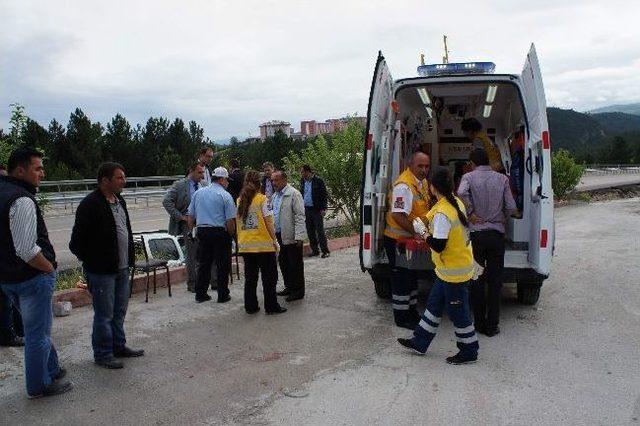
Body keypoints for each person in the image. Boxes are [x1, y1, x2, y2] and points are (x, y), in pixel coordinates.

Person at [0, 147, 71, 397]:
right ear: (21, 170)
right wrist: (48, 268)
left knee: (39, 329)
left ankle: (52, 367)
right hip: (30, 278)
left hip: (8, 278)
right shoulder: (21, 199)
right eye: (37, 168)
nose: (43, 173)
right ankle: (39, 385)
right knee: (37, 335)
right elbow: (27, 250)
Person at [398, 167, 479, 365]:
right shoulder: (453, 202)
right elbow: (430, 214)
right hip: (449, 271)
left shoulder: (444, 212)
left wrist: (423, 233)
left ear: (433, 188)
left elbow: (439, 245)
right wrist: (421, 221)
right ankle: (420, 341)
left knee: (459, 314)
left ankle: (469, 350)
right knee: (433, 307)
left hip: (454, 273)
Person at [69, 162, 144, 369]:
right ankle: (102, 354)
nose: (124, 181)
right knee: (104, 314)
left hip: (121, 267)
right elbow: (76, 243)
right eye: (119, 178)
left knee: (119, 310)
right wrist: (94, 262)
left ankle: (118, 346)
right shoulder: (90, 205)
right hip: (102, 272)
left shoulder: (119, 200)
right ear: (105, 181)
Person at [457, 148, 517, 336]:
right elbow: (512, 207)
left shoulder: (468, 177)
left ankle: (479, 323)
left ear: (472, 163)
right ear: (488, 161)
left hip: (477, 237)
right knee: (495, 281)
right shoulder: (502, 179)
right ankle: (492, 326)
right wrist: (501, 218)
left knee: (476, 279)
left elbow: (460, 192)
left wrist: (470, 212)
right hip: (496, 236)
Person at [383, 151, 432, 329]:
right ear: (410, 165)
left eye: (426, 166)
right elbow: (398, 215)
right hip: (398, 241)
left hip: (410, 240)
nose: (424, 170)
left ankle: (411, 312)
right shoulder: (404, 186)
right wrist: (417, 231)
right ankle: (402, 318)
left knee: (411, 278)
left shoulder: (422, 183)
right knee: (401, 280)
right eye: (420, 166)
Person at [236, 170, 287, 315]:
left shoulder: (239, 200)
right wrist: (275, 241)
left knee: (250, 279)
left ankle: (250, 306)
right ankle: (271, 307)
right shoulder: (262, 199)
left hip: (246, 246)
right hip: (263, 246)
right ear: (260, 183)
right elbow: (269, 223)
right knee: (269, 278)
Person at [188, 166, 236, 303]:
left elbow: (190, 216)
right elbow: (230, 221)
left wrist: (192, 232)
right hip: (220, 233)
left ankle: (200, 294)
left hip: (202, 231)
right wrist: (231, 236)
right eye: (227, 180)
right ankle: (222, 294)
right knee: (222, 265)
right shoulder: (225, 195)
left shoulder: (199, 193)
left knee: (204, 264)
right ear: (221, 180)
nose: (227, 183)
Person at [162, 162, 207, 293]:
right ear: (191, 171)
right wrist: (181, 217)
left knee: (205, 253)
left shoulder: (203, 185)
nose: (202, 175)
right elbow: (166, 201)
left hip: (203, 223)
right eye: (199, 172)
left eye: (203, 172)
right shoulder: (180, 185)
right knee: (192, 254)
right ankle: (192, 283)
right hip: (189, 224)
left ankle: (207, 280)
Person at [270, 170, 307, 302]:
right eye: (272, 180)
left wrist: (299, 236)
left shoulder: (293, 194)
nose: (273, 183)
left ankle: (298, 291)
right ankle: (289, 287)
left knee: (295, 264)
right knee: (284, 263)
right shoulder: (275, 196)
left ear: (284, 180)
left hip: (292, 236)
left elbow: (299, 215)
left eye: (276, 180)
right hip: (280, 235)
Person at [300, 164, 330, 258]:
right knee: (310, 231)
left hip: (317, 209)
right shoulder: (302, 181)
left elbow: (324, 195)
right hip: (307, 209)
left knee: (320, 231)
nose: (301, 174)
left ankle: (325, 251)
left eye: (302, 172)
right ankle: (315, 250)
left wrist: (324, 208)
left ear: (308, 171)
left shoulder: (318, 181)